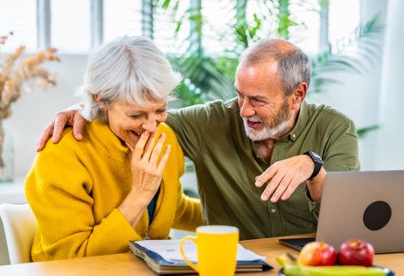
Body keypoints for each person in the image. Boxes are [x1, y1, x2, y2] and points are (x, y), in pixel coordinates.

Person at [36, 38, 359, 240]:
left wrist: (314, 169)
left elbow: (349, 226)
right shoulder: (205, 123)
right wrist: (86, 108)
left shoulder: (335, 128)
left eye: (258, 100)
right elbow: (129, 114)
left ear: (297, 95)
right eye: (238, 96)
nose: (244, 111)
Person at [25, 36, 202, 261]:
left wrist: (248, 212)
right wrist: (139, 195)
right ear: (102, 100)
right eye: (135, 115)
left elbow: (174, 207)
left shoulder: (164, 136)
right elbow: (71, 260)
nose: (151, 126)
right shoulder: (61, 155)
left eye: (160, 110)